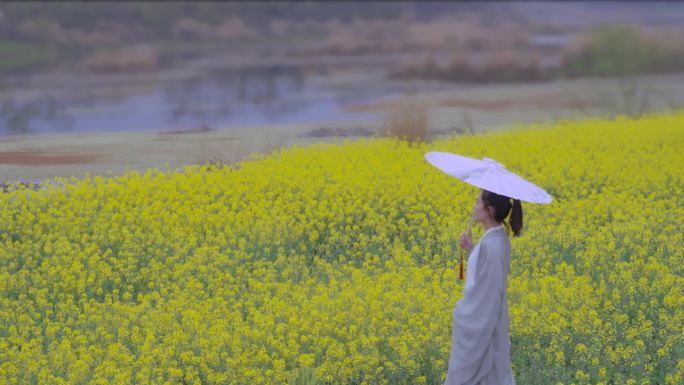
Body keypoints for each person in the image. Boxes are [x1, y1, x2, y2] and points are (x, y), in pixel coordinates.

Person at [443, 188, 522, 385]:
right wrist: (472, 249)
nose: (474, 206)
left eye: (478, 202)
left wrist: (461, 313)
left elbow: (488, 296)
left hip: (485, 328)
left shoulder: (493, 246)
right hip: (490, 324)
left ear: (490, 210)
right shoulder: (493, 239)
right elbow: (486, 275)